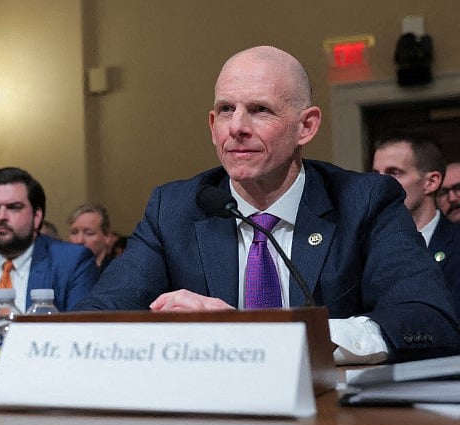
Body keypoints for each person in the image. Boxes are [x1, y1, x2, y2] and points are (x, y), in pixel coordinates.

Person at [76, 45, 460, 365]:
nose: (237, 126)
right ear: (212, 125)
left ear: (305, 127)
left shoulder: (364, 202)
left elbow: (428, 320)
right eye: (226, 110)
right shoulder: (175, 208)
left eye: (260, 110)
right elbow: (95, 320)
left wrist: (269, 336)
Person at [0, 167, 98, 313]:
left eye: (13, 207)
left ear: (37, 217)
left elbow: (80, 329)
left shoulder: (71, 262)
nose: (0, 216)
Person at [372, 131, 460, 314]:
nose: (379, 184)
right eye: (375, 174)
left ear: (431, 182)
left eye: (394, 173)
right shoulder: (366, 247)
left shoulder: (456, 243)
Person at [66, 203, 117, 271]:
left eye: (89, 233)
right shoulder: (63, 271)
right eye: (74, 233)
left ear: (107, 237)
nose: (79, 241)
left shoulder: (118, 272)